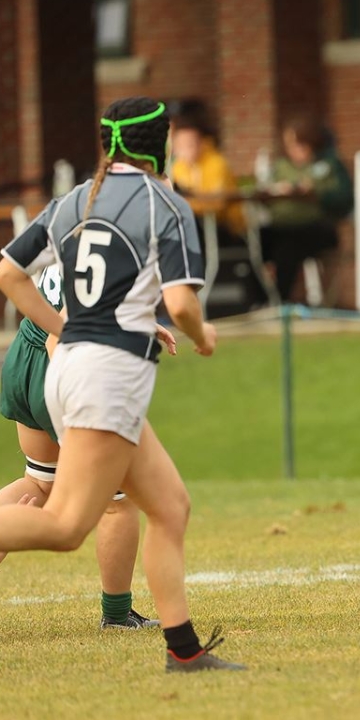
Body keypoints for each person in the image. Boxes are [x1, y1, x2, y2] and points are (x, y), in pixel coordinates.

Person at [0, 96, 246, 672]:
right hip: (105, 379)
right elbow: (183, 301)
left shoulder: (75, 198)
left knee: (170, 506)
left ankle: (183, 651)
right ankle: (176, 647)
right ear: (157, 144)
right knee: (65, 526)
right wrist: (202, 334)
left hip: (70, 366)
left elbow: (9, 271)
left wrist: (68, 326)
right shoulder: (166, 203)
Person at [0, 263, 167, 630]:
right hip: (59, 362)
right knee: (117, 498)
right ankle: (118, 616)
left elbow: (12, 273)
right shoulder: (119, 238)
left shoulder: (74, 219)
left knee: (42, 484)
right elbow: (60, 336)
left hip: (24, 357)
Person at [257, 115, 353, 302]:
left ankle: (279, 303)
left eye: (298, 144)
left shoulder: (329, 165)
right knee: (250, 244)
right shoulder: (281, 167)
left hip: (316, 228)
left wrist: (315, 193)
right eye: (289, 145)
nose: (293, 150)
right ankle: (256, 300)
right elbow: (264, 195)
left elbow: (344, 200)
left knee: (288, 247)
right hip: (280, 227)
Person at [168, 113, 247, 239]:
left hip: (224, 224)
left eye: (190, 143)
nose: (184, 149)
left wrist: (185, 204)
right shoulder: (178, 166)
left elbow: (216, 203)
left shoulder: (217, 163)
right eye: (180, 145)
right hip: (196, 221)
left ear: (200, 142)